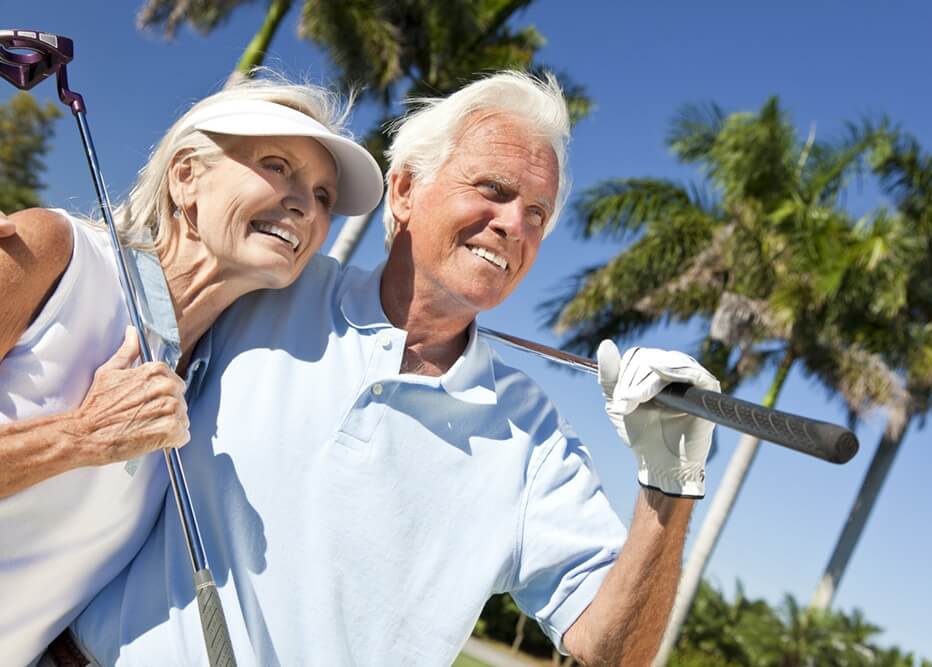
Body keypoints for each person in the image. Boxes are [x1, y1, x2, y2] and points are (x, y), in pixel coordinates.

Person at [75, 71, 720, 666]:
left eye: (536, 215)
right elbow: (123, 275)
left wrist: (670, 485)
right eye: (493, 191)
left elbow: (614, 649)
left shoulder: (534, 439)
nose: (512, 227)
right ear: (406, 190)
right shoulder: (272, 285)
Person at [0, 75, 383, 666]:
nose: (304, 204)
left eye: (324, 196)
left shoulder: (213, 386)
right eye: (277, 165)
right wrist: (76, 437)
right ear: (186, 178)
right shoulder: (52, 252)